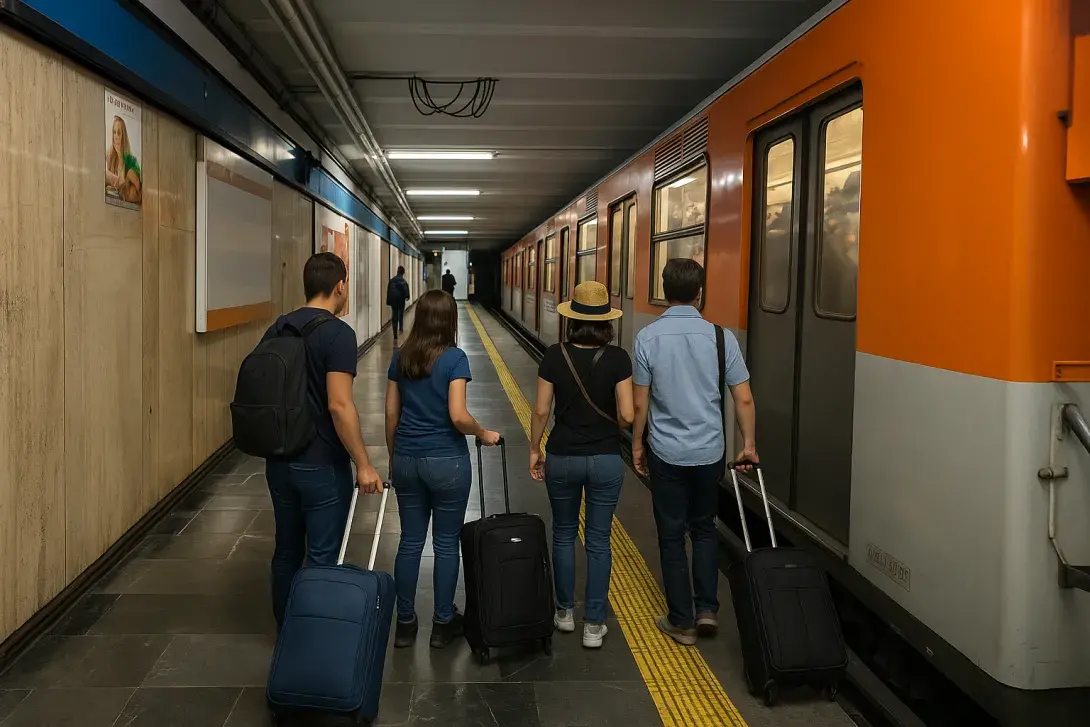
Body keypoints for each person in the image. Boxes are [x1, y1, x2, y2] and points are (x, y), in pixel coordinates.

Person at [631, 258, 758, 646]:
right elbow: (744, 399)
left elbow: (640, 404)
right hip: (709, 452)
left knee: (671, 535)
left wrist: (637, 443)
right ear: (699, 293)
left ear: (664, 291)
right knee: (705, 529)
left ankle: (681, 621)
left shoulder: (647, 338)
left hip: (666, 452)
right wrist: (748, 445)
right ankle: (707, 610)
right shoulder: (721, 338)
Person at [261, 252, 384, 630]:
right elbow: (340, 404)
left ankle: (286, 629)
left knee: (286, 551)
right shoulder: (338, 334)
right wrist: (363, 462)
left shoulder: (278, 328)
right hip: (321, 465)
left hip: (279, 460)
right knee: (321, 555)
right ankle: (311, 636)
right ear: (340, 286)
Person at [385, 290, 501, 649]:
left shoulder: (400, 357)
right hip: (446, 462)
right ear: (450, 320)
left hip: (406, 459)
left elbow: (392, 414)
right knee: (446, 544)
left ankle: (405, 624)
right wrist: (483, 433)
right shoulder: (455, 359)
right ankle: (442, 624)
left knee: (410, 542)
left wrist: (395, 457)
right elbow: (458, 416)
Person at [530, 281, 634, 649]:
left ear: (571, 319)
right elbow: (626, 415)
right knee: (599, 540)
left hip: (562, 456)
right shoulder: (619, 358)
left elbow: (542, 409)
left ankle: (563, 614)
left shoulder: (554, 356)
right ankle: (594, 624)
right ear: (607, 322)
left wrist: (533, 448)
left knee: (562, 533)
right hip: (605, 459)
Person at [386, 265, 411, 337]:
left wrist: (388, 301)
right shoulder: (403, 281)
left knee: (394, 314)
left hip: (393, 300)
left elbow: (389, 291)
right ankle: (400, 328)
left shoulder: (392, 280)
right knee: (401, 313)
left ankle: (394, 332)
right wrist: (407, 296)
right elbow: (406, 290)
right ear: (403, 273)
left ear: (397, 272)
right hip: (400, 299)